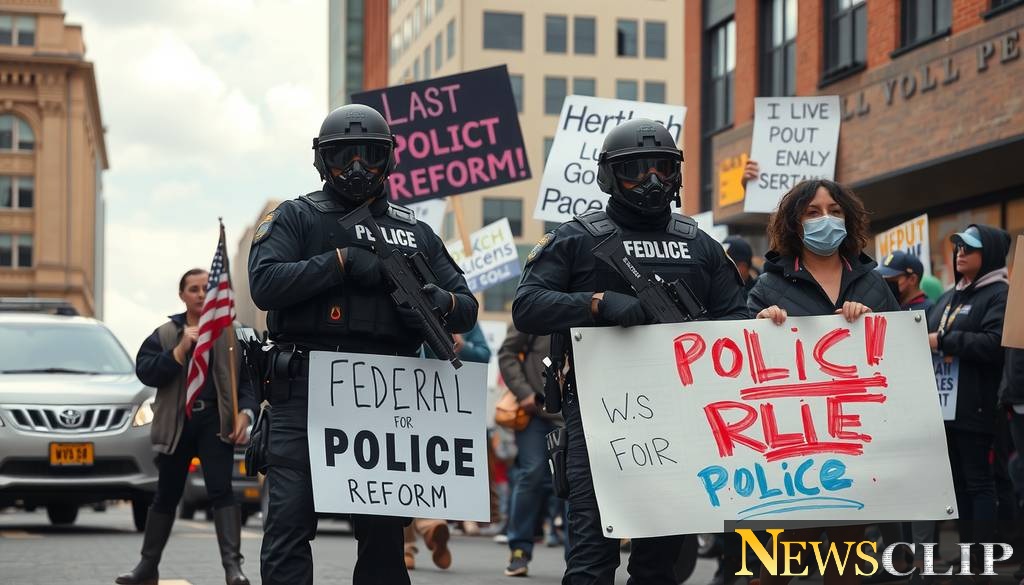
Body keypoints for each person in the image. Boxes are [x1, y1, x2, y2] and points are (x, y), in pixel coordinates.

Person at [248, 103, 479, 585]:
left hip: (386, 398)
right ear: (322, 161)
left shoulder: (415, 231)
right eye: (343, 158)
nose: (357, 169)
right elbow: (265, 284)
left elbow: (467, 308)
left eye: (369, 157)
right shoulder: (296, 217)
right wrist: (340, 261)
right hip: (304, 393)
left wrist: (437, 300)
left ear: (389, 160)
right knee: (289, 525)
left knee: (383, 542)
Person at [513, 118, 748, 584]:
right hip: (599, 418)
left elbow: (738, 319)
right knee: (590, 558)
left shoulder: (700, 244)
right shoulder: (576, 238)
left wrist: (697, 332)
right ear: (608, 177)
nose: (651, 181)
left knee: (661, 564)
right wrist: (595, 304)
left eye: (661, 168)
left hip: (680, 417)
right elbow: (527, 306)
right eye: (635, 171)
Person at [747, 179, 900, 585]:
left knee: (847, 567)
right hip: (793, 452)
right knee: (778, 568)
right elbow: (740, 364)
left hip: (856, 449)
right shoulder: (769, 286)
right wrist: (759, 328)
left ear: (848, 219)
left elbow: (902, 359)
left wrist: (874, 325)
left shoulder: (873, 283)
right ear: (795, 224)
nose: (825, 220)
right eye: (813, 212)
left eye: (834, 211)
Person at [117, 268, 257, 585]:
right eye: (193, 288)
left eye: (207, 287)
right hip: (178, 422)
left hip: (215, 423)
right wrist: (179, 350)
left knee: (222, 490)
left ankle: (233, 569)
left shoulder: (233, 333)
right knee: (166, 494)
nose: (200, 293)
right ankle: (146, 567)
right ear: (182, 295)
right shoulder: (165, 334)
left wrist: (245, 414)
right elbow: (146, 372)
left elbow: (249, 384)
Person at [926, 224, 1011, 573]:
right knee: (957, 487)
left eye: (969, 247)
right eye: (958, 245)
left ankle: (981, 566)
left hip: (976, 405)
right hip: (944, 407)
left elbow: (994, 344)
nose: (960, 252)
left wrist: (944, 340)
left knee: (979, 484)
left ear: (988, 253)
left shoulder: (999, 294)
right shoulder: (949, 296)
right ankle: (966, 563)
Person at [404, 323, 491, 571]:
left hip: (442, 403)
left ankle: (411, 543)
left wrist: (463, 345)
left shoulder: (465, 319)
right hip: (406, 398)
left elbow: (484, 354)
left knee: (423, 469)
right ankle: (429, 527)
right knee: (404, 470)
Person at [497, 323, 561, 577]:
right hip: (536, 411)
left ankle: (577, 556)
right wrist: (524, 394)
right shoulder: (538, 303)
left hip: (573, 413)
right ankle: (519, 551)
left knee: (576, 481)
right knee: (532, 473)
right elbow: (507, 353)